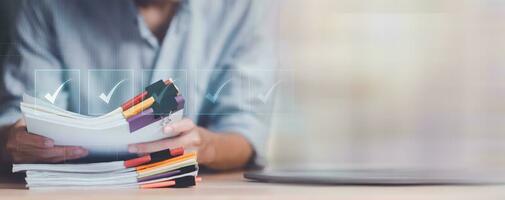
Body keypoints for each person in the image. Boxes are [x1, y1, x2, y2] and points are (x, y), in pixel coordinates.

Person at [0, 0, 277, 171]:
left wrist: (209, 147)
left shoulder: (243, 7)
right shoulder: (47, 6)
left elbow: (245, 130)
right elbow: (26, 116)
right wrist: (19, 138)